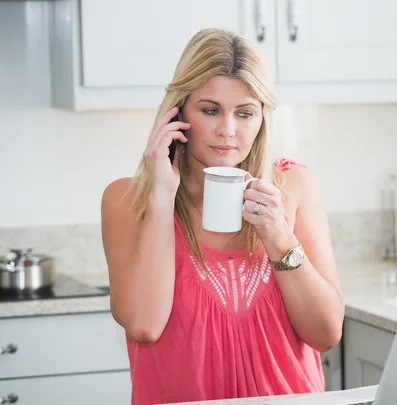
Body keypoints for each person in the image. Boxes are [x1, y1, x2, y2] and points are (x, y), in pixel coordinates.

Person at [100, 28, 345, 404]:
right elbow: (144, 326)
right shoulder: (127, 199)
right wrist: (162, 197)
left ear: (262, 117)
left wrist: (279, 238)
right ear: (178, 112)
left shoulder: (294, 186)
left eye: (244, 113)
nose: (227, 131)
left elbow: (326, 334)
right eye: (210, 110)